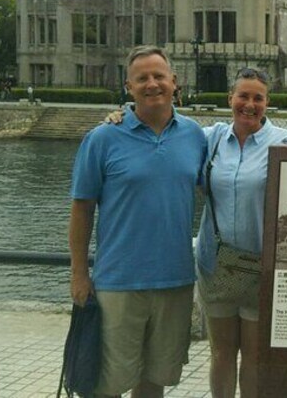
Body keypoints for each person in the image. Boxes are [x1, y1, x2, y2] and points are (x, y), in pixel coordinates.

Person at [107, 67, 287, 397]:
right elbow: (165, 132)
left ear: (268, 102)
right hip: (217, 264)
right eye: (243, 96)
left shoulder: (285, 142)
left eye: (258, 98)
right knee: (221, 354)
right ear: (230, 99)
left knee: (253, 357)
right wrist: (122, 116)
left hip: (261, 267)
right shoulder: (208, 139)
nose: (249, 105)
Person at [69, 45, 206, 398]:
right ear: (128, 87)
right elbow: (82, 208)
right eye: (141, 78)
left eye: (159, 76)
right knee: (107, 382)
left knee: (155, 379)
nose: (152, 84)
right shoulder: (102, 138)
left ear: (175, 82)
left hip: (175, 280)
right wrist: (79, 273)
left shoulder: (195, 136)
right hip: (119, 281)